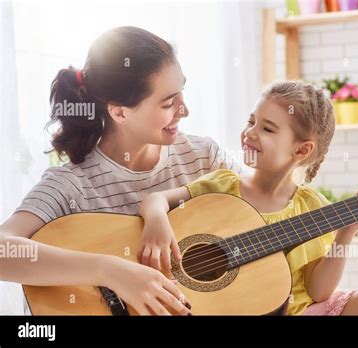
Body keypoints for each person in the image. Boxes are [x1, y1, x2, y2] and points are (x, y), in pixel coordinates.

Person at [137, 81, 358, 315]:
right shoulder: (223, 186)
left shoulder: (311, 206)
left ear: (302, 150)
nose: (250, 133)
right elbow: (155, 201)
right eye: (251, 121)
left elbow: (319, 292)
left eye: (267, 128)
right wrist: (156, 220)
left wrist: (347, 231)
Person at [0, 26, 242, 315]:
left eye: (182, 92)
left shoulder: (203, 157)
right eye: (168, 102)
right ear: (119, 113)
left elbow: (270, 206)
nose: (184, 110)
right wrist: (109, 270)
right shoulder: (72, 185)